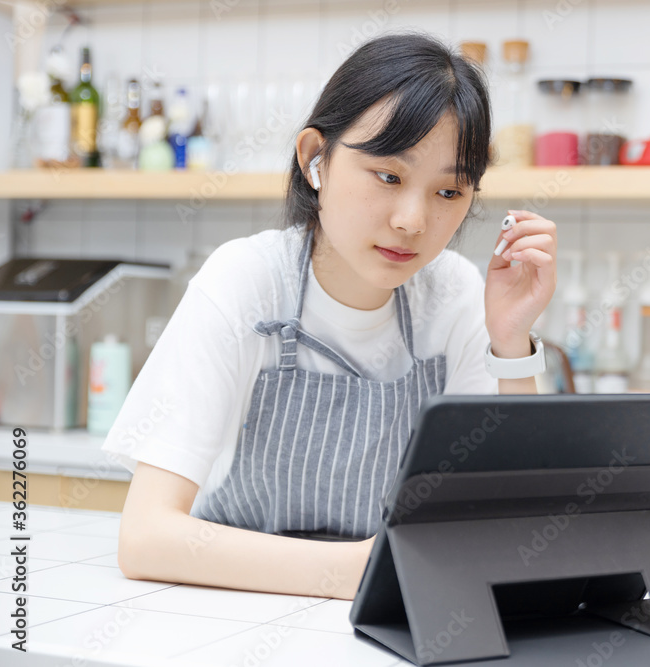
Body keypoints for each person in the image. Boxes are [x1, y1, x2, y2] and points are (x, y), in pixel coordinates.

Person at [102, 33, 557, 601]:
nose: (413, 220)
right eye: (388, 176)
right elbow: (146, 539)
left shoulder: (456, 294)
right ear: (314, 157)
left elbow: (521, 521)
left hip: (382, 622)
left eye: (448, 191)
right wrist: (363, 571)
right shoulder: (245, 280)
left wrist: (511, 342)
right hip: (228, 608)